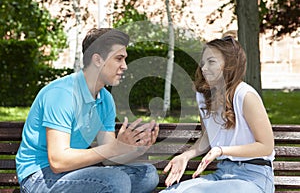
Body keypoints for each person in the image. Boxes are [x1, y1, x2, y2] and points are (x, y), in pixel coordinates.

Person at [16, 28, 160, 193]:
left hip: (74, 172)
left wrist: (135, 148)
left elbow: (109, 159)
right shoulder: (62, 94)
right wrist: (115, 147)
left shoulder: (105, 99)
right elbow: (57, 162)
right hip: (39, 176)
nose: (125, 66)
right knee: (116, 181)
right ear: (97, 60)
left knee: (147, 174)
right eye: (119, 59)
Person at [160, 36, 275, 193]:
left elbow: (266, 146)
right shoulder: (203, 96)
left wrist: (222, 150)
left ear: (229, 65)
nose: (204, 68)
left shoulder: (245, 95)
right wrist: (185, 156)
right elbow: (208, 138)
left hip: (253, 178)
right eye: (203, 63)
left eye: (211, 62)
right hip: (222, 174)